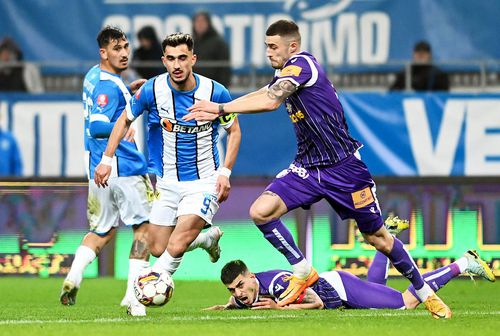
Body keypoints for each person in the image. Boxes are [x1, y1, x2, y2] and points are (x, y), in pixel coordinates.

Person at [186, 20, 451, 318]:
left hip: (344, 168)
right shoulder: (282, 72)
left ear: (292, 47)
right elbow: (264, 91)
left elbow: (271, 100)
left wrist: (221, 108)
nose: (268, 52)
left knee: (378, 238)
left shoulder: (303, 65)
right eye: (266, 46)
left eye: (273, 47)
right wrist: (225, 105)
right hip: (308, 168)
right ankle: (302, 269)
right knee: (260, 211)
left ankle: (425, 293)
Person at [93, 33, 241, 297]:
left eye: (183, 58)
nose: (177, 65)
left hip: (204, 181)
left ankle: (149, 285)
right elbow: (124, 120)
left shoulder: (215, 92)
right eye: (171, 59)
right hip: (167, 182)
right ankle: (207, 238)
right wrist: (106, 159)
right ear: (163, 61)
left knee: (178, 241)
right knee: (159, 246)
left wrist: (225, 173)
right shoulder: (152, 90)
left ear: (193, 59)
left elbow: (235, 131)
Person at [209, 249, 495, 312]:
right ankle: (388, 238)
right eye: (233, 290)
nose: (239, 293)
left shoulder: (280, 284)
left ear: (250, 276)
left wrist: (279, 309)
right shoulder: (247, 289)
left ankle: (463, 263)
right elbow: (239, 298)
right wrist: (227, 306)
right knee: (381, 291)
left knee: (404, 303)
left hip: (341, 289)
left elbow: (317, 303)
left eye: (240, 286)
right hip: (339, 284)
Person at [192, 11, 231, 87]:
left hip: (213, 87)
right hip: (195, 87)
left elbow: (224, 68)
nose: (199, 24)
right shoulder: (191, 43)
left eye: (202, 21)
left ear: (208, 24)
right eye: (197, 21)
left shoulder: (218, 43)